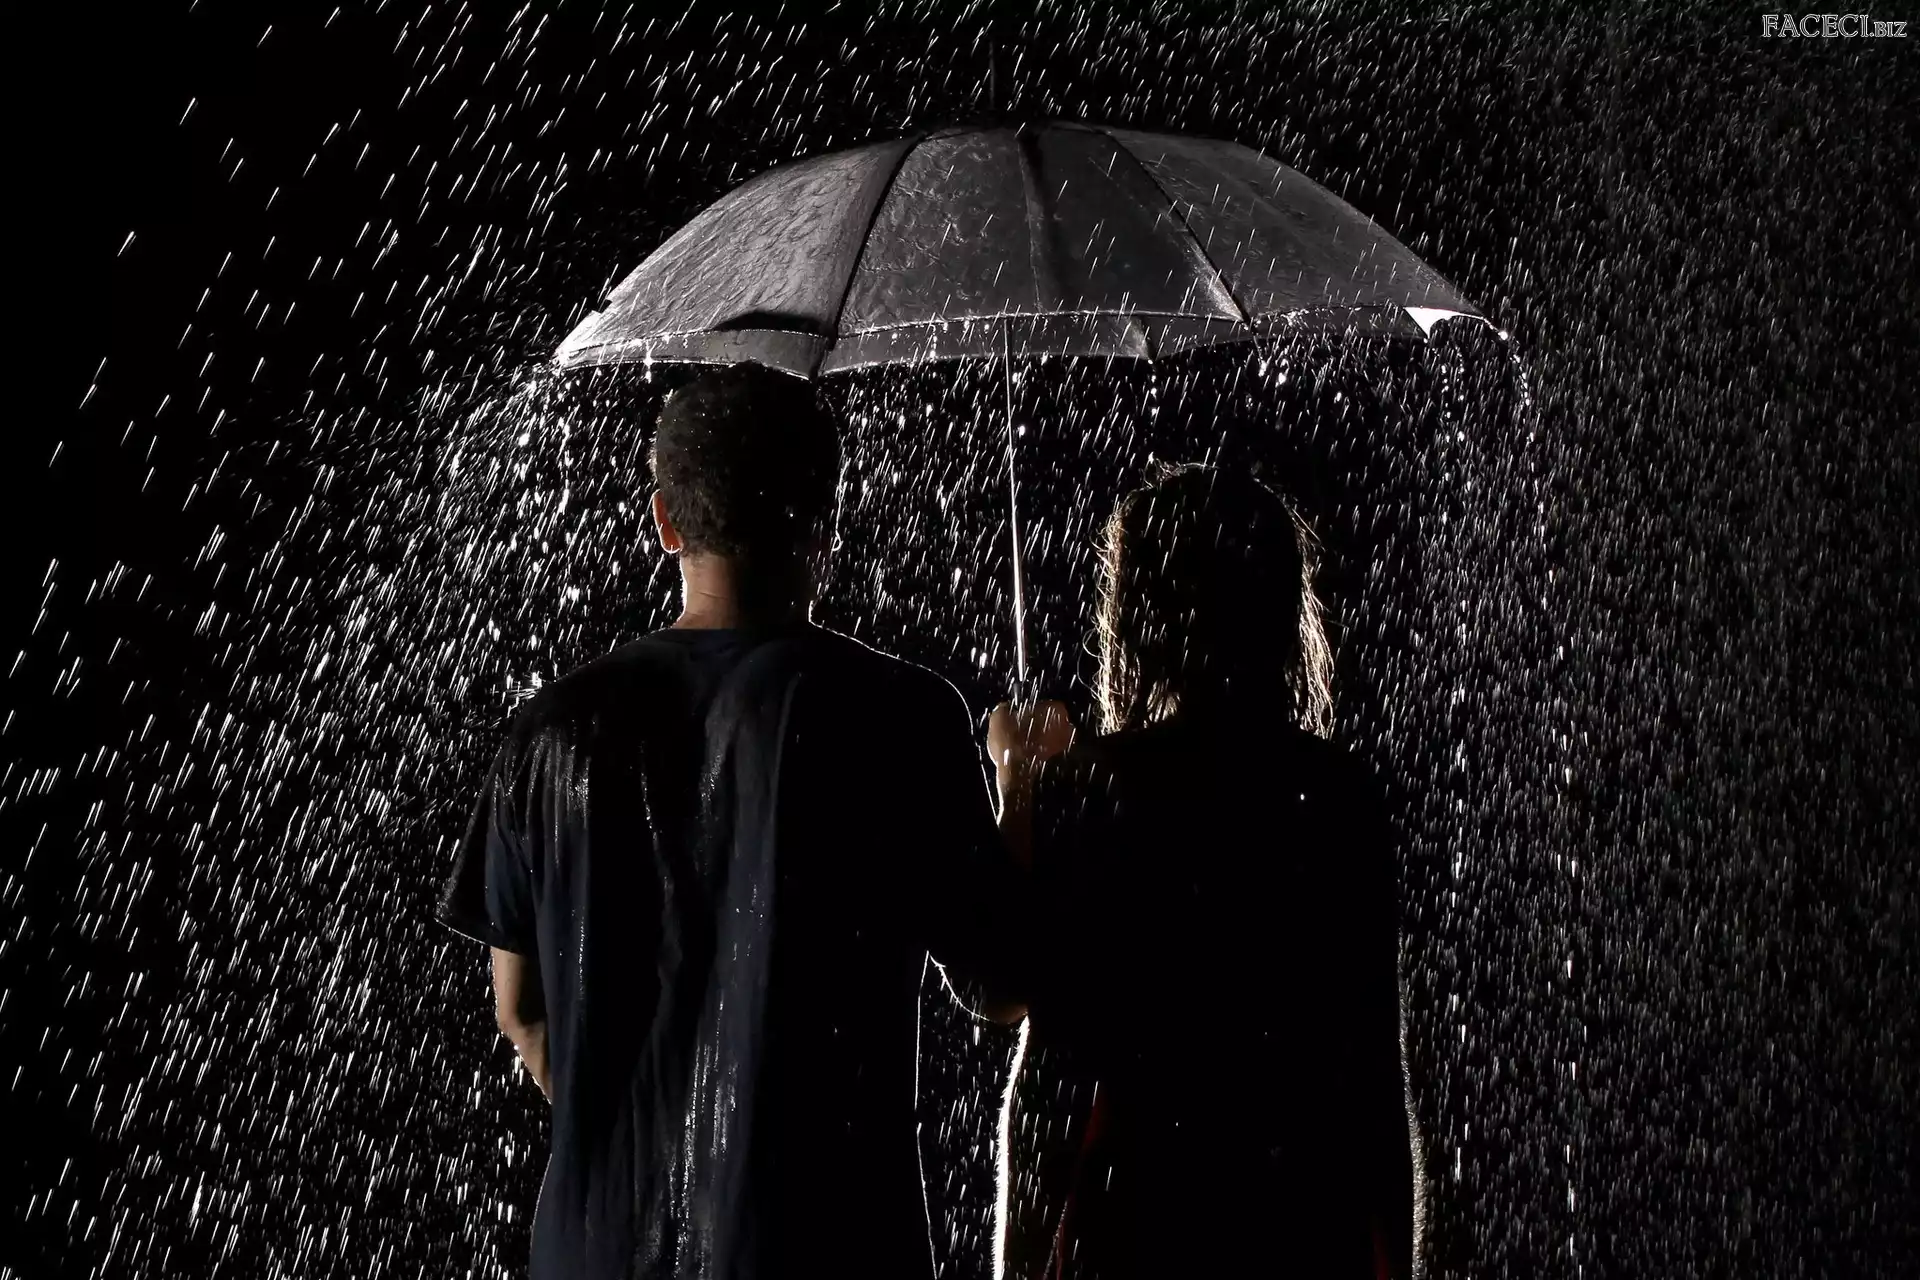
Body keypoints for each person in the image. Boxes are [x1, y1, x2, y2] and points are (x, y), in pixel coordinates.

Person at [437, 363, 1029, 1280]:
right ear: (823, 521)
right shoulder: (899, 718)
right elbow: (1004, 984)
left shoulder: (551, 731)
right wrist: (1022, 783)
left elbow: (521, 1013)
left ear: (665, 522)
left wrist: (653, 1140)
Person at [988, 463, 1417, 1280]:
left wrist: (1020, 786)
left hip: (1137, 1227)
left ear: (1137, 617)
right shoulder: (1337, 796)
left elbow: (1048, 1071)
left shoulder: (1095, 787)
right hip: (1301, 1226)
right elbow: (1375, 1083)